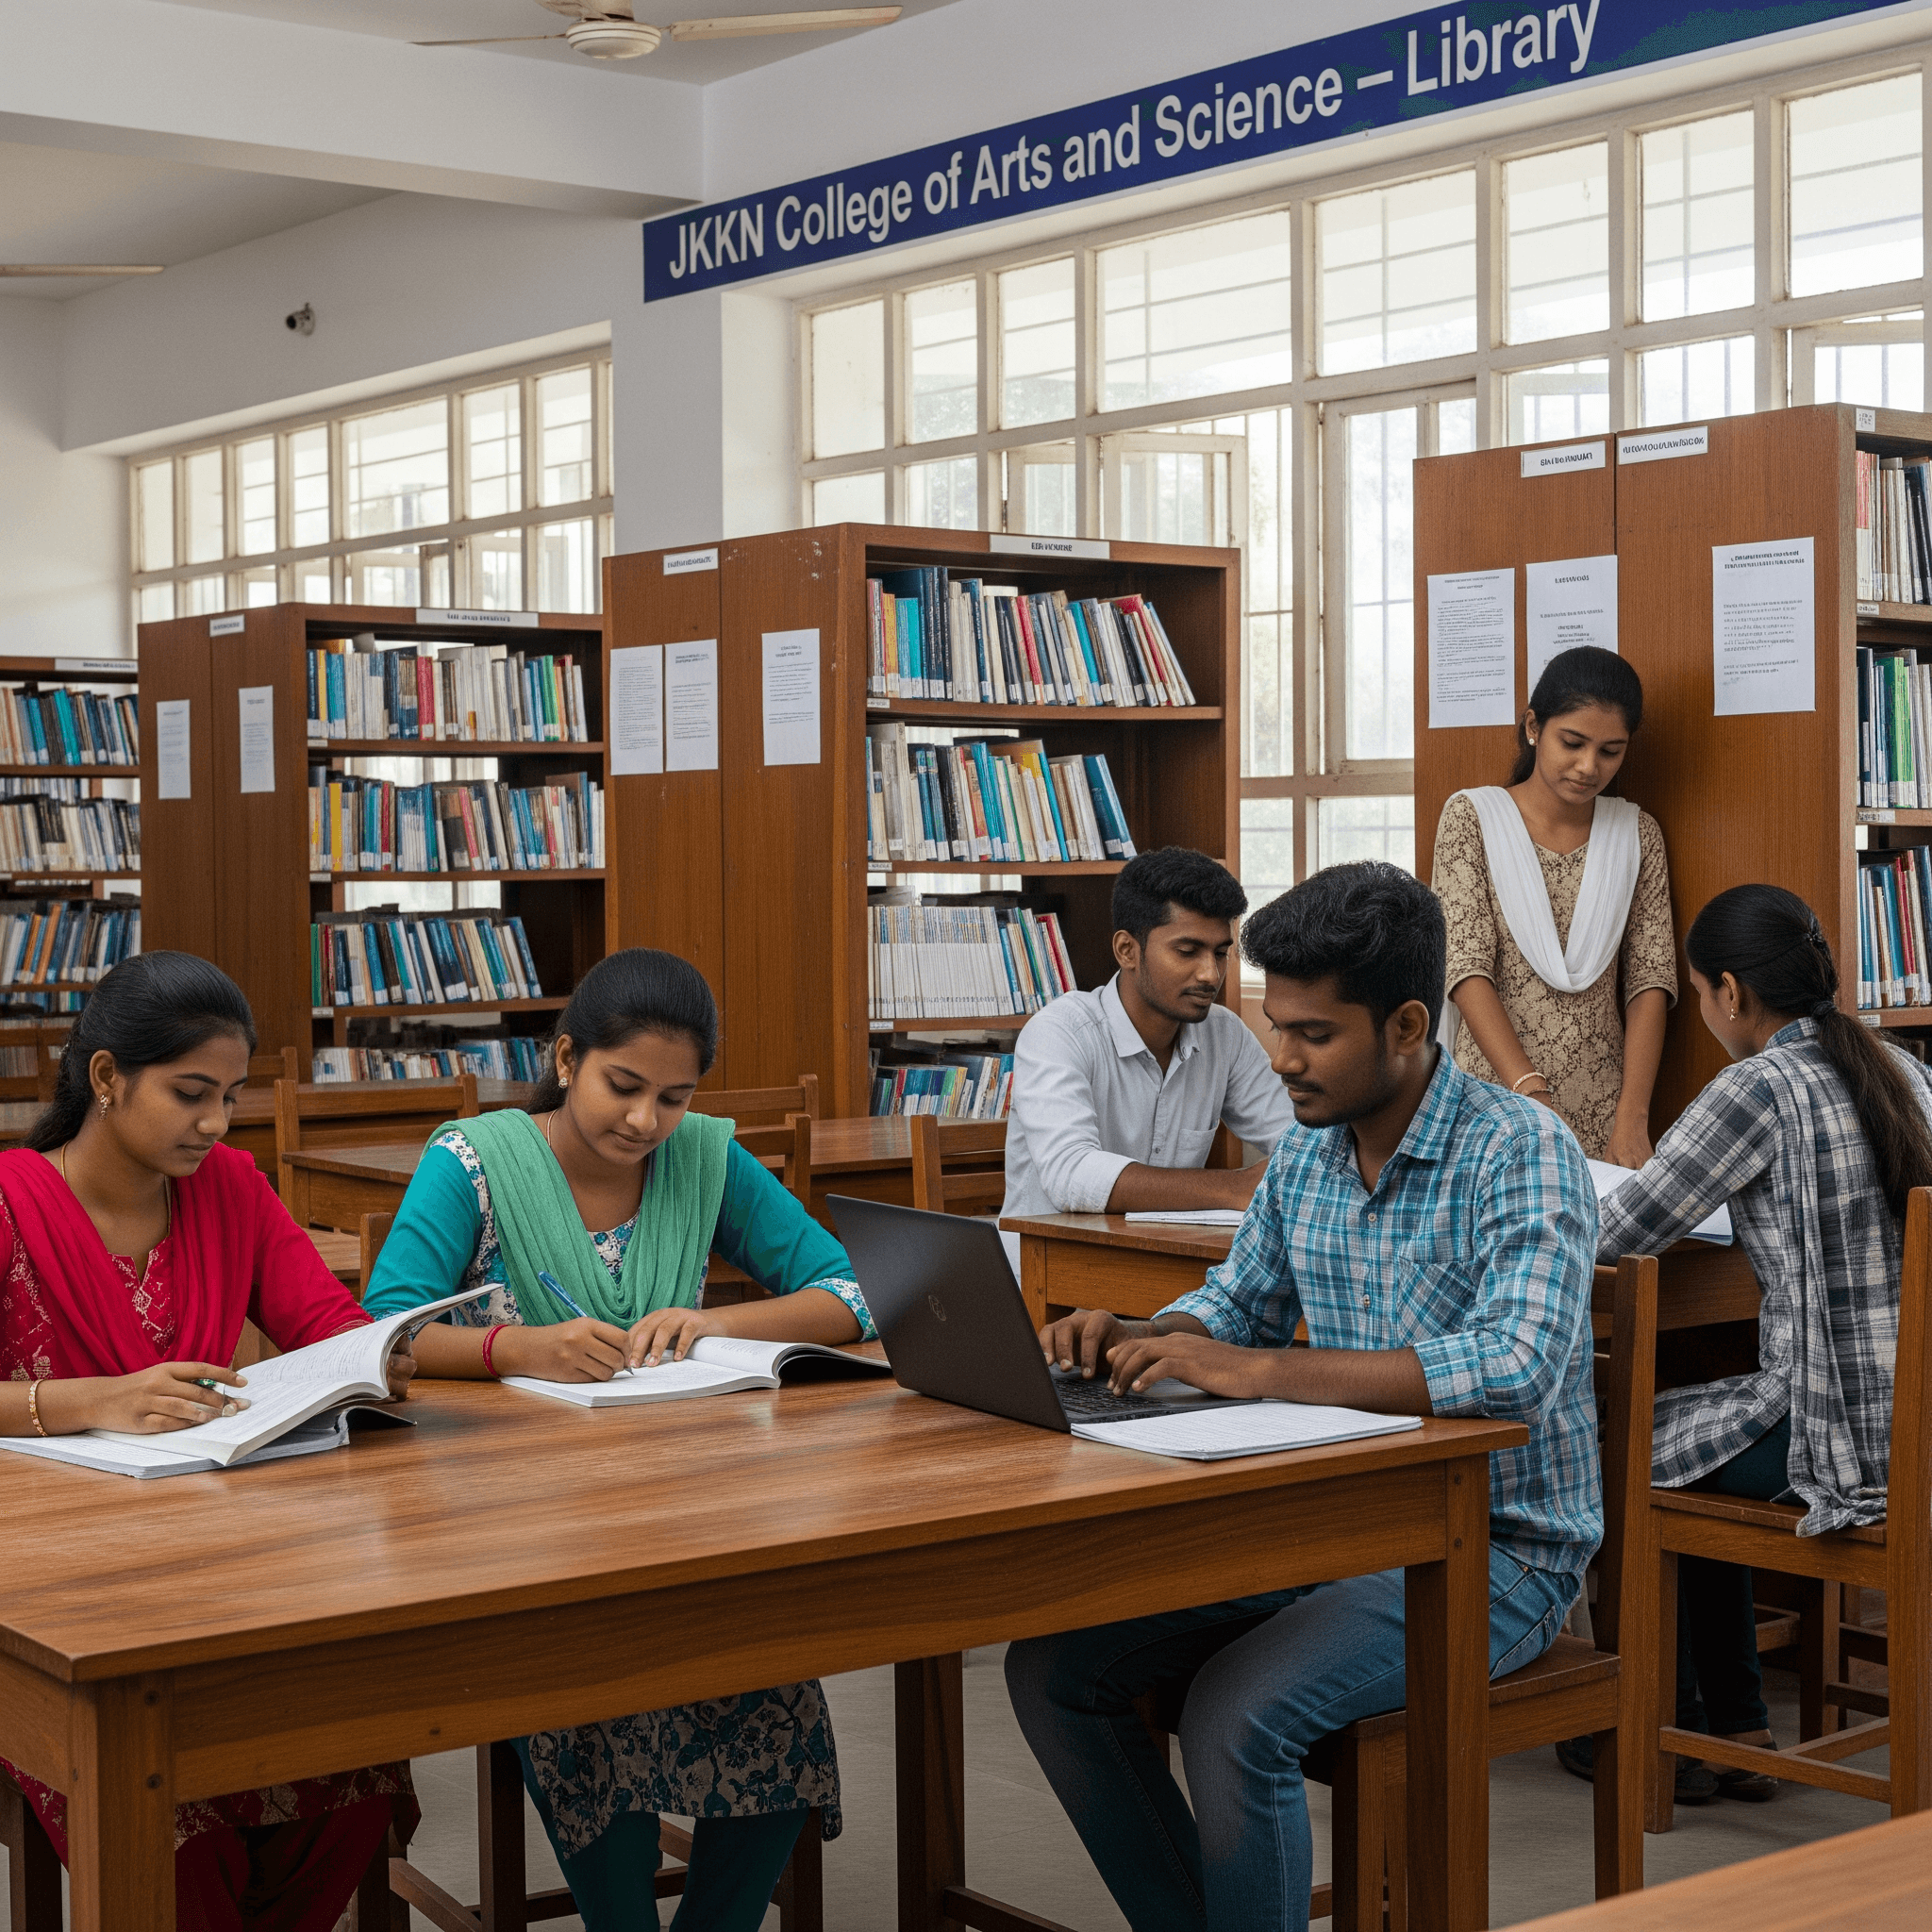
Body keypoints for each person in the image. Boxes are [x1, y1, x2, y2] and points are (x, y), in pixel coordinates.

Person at [1003, 862, 1600, 1932]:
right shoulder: (1309, 1157)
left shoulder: (1519, 1148)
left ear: (1408, 1023)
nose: (1280, 1058)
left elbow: (1514, 1362)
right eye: (1273, 1024)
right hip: (1335, 1523)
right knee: (1053, 1668)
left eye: (1313, 1034)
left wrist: (1261, 1369)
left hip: (1496, 1546)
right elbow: (1235, 1303)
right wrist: (1147, 1336)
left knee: (1235, 1710)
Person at [361, 946, 869, 1932]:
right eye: (623, 1085)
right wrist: (521, 1346)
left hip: (686, 1513)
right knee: (590, 1716)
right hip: (520, 1533)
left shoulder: (704, 1157)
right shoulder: (471, 1159)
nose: (645, 1121)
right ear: (565, 1057)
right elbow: (389, 1333)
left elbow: (851, 1289)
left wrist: (723, 1322)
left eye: (673, 1097)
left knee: (783, 1700)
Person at [0, 952, 419, 1931]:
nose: (218, 1122)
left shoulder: (231, 1186)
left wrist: (375, 1358)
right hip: (54, 1604)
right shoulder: (11, 1199)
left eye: (230, 1094)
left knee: (355, 1781)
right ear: (106, 1078)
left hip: (227, 1575)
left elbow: (327, 1323)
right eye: (192, 1093)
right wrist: (90, 1399)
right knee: (179, 1829)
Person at [1582, 884, 1932, 1804]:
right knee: (1693, 1430)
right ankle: (1729, 1721)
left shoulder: (1755, 1086)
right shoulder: (1902, 1069)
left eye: (1698, 994)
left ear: (1729, 992)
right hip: (1917, 1433)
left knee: (1622, 1435)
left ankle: (1663, 1716)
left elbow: (1628, 1223)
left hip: (1844, 1447)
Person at [1433, 646, 1675, 1164]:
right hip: (1495, 1100)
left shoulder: (1636, 833)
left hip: (1606, 1118)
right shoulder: (1472, 818)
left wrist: (1632, 1119)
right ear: (1533, 727)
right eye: (1573, 742)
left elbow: (1650, 981)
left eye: (1611, 751)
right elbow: (1467, 969)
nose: (1589, 767)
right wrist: (1530, 1091)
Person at [1000, 846, 1297, 1222]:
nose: (1210, 974)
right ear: (1127, 950)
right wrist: (1233, 1187)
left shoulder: (1225, 1035)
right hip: (1049, 1268)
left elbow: (1298, 1140)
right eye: (1188, 951)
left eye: (1220, 953)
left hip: (1163, 1264)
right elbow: (1071, 1174)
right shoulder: (1059, 1033)